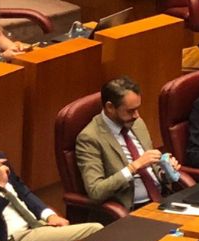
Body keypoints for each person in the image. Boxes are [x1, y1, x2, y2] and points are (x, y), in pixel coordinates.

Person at [75, 77, 182, 212]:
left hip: (163, 200)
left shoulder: (136, 123)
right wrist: (134, 167)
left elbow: (152, 170)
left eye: (137, 109)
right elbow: (96, 191)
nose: (137, 115)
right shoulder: (90, 138)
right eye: (130, 111)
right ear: (110, 107)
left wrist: (166, 172)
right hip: (132, 210)